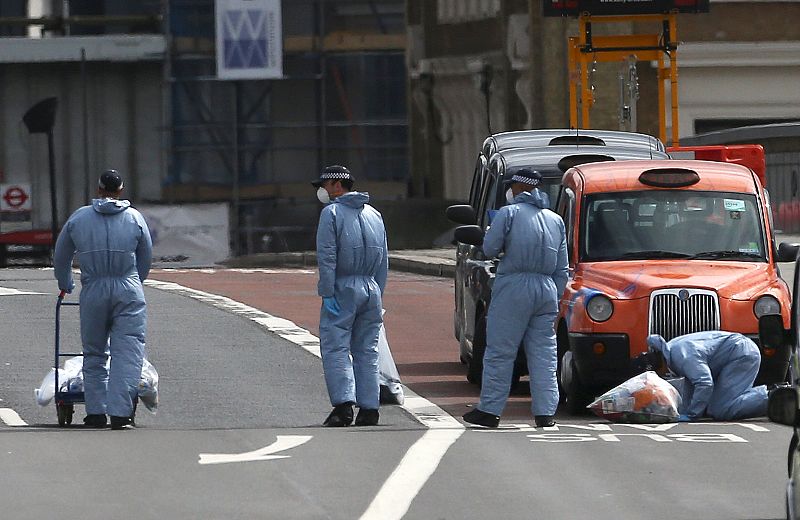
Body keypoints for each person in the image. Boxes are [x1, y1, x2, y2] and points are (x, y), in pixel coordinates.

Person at [463, 169, 568, 428]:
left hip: (514, 285)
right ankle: (545, 413)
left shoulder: (508, 214)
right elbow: (562, 268)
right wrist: (553, 294)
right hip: (546, 288)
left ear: (520, 186)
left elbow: (489, 248)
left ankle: (490, 410)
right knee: (543, 354)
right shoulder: (555, 220)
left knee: (500, 351)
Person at [54, 170, 152, 430]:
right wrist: (134, 283)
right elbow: (146, 257)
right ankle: (121, 414)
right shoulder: (134, 218)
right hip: (127, 287)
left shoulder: (80, 218)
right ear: (121, 190)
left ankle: (95, 412)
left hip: (94, 288)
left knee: (95, 351)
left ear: (98, 189)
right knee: (127, 352)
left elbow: (61, 256)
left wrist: (67, 283)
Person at [313, 165, 388, 427]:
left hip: (344, 287)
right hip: (371, 289)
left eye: (323, 185)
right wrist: (378, 292)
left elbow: (327, 256)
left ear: (336, 185)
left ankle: (343, 406)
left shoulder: (331, 214)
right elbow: (383, 261)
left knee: (336, 346)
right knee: (367, 349)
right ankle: (370, 408)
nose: (321, 191)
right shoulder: (374, 214)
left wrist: (327, 291)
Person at [645, 331, 769, 421]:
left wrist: (693, 414)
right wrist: (682, 411)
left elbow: (704, 383)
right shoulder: (672, 350)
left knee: (721, 409)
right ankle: (764, 396)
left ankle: (771, 397)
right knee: (714, 406)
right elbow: (691, 385)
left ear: (658, 366)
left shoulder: (683, 357)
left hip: (741, 354)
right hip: (738, 350)